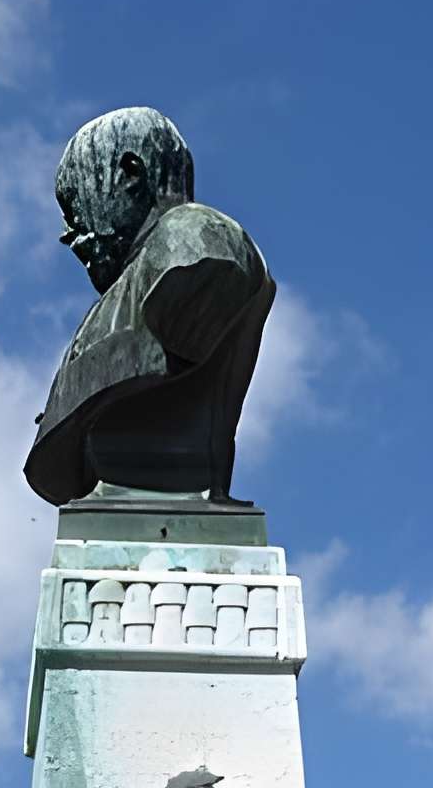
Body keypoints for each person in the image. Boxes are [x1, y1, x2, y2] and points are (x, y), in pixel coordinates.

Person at [26, 106, 274, 508]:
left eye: (74, 204)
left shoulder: (203, 245)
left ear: (131, 174)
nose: (68, 232)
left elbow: (177, 338)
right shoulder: (128, 283)